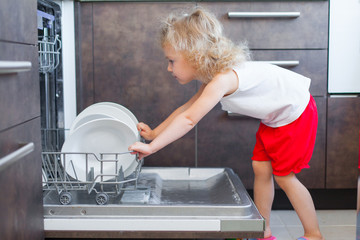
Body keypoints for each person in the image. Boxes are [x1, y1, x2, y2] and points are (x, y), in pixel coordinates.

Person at [128, 7, 324, 240]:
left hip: (296, 114)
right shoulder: (214, 78)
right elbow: (186, 110)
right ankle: (263, 231)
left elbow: (189, 120)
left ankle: (314, 235)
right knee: (261, 168)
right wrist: (154, 133)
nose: (168, 68)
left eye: (172, 61)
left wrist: (152, 148)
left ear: (194, 54)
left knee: (284, 176)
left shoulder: (222, 80)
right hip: (275, 118)